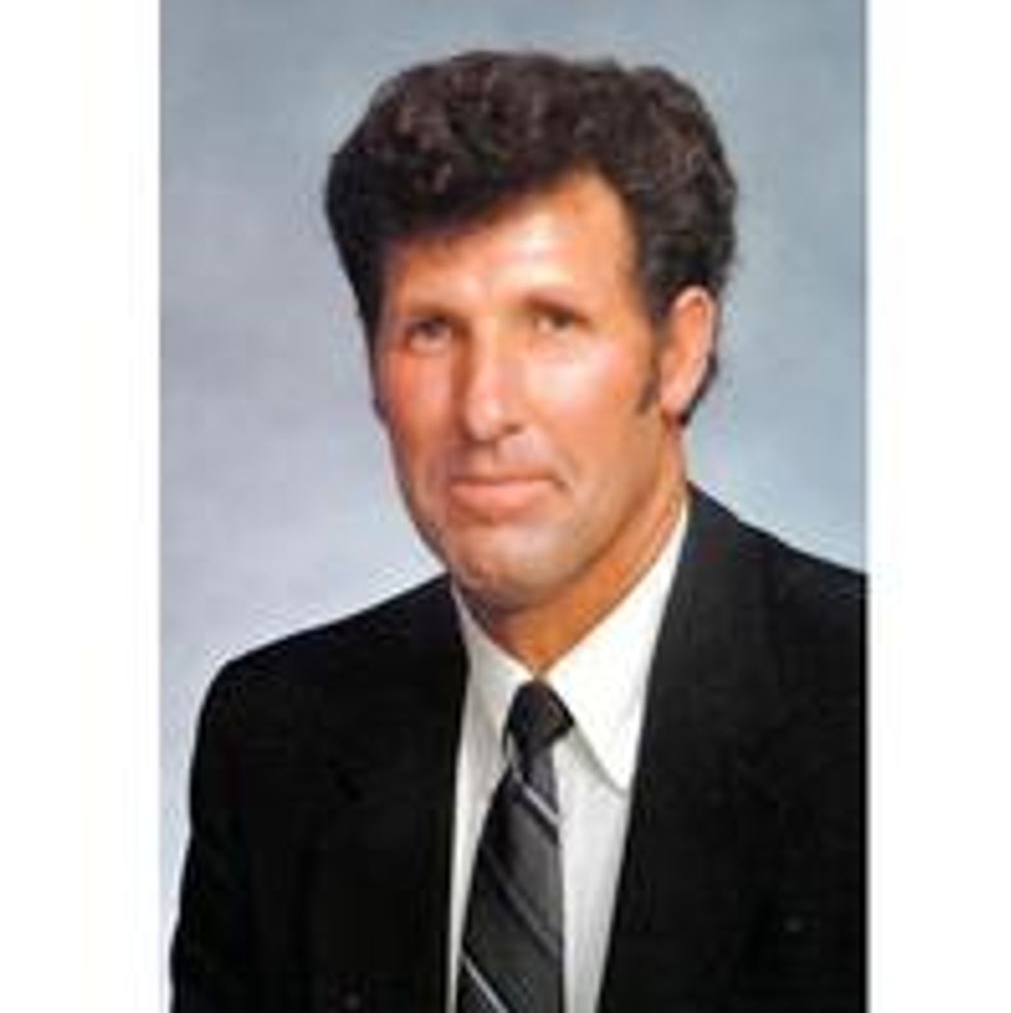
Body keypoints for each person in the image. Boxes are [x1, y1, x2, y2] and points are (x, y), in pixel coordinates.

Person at [171, 50, 864, 1013]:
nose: (484, 409)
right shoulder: (274, 738)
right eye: (431, 330)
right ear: (373, 367)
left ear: (678, 353)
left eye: (552, 323)